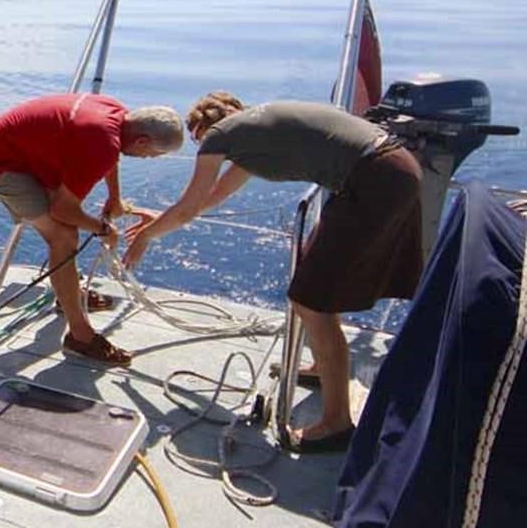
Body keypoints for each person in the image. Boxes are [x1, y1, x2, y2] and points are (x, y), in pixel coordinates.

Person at [123, 92, 423, 452]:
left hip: (376, 181)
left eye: (197, 140)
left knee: (311, 302)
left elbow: (190, 207)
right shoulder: (253, 132)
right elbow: (213, 195)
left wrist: (146, 237)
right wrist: (162, 220)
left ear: (201, 129)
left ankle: (337, 424)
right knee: (315, 285)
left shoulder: (220, 135)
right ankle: (321, 369)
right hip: (391, 171)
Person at [0, 92, 183, 366]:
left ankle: (68, 295)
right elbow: (63, 210)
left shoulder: (117, 113)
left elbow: (110, 154)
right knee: (63, 237)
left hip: (26, 153)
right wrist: (105, 230)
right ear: (142, 141)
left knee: (67, 232)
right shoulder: (102, 142)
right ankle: (80, 337)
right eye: (154, 154)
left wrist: (114, 197)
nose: (150, 158)